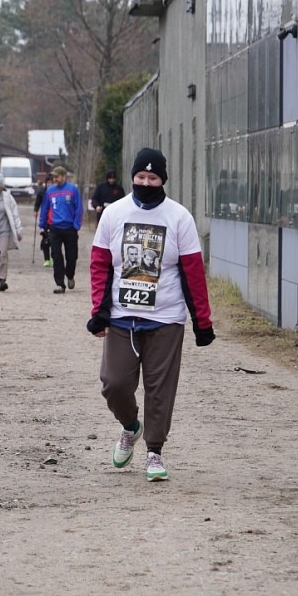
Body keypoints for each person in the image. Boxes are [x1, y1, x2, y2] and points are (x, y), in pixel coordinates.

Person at [87, 147, 215, 482]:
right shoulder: (114, 214)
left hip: (165, 318)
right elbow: (100, 265)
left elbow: (193, 273)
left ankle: (154, 451)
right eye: (141, 176)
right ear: (133, 177)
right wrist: (99, 311)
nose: (146, 182)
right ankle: (131, 427)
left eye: (153, 177)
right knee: (114, 383)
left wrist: (202, 322)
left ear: (163, 180)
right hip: (121, 317)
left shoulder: (179, 218)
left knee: (160, 389)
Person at [38, 165, 84, 293]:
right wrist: (42, 224)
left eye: (57, 177)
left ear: (64, 176)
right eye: (53, 177)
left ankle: (70, 274)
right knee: (56, 255)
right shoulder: (50, 191)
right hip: (55, 228)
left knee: (71, 256)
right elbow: (45, 208)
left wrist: (76, 225)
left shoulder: (73, 190)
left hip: (70, 228)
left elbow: (79, 208)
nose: (55, 179)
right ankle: (59, 283)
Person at [34, 176, 52, 266]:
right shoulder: (42, 192)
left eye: (51, 183)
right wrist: (36, 210)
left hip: (55, 219)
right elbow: (37, 202)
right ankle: (47, 259)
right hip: (45, 218)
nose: (50, 184)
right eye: (48, 183)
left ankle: (54, 256)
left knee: (54, 240)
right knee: (45, 239)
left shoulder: (57, 192)